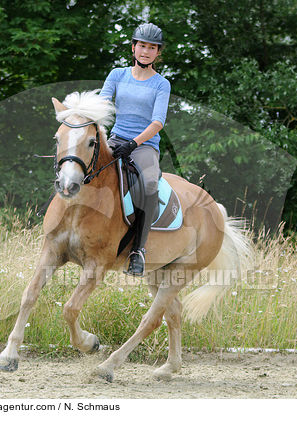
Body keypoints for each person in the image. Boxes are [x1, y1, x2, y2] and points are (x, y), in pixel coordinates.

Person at [100, 23, 171, 276]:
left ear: (157, 53)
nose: (145, 51)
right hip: (116, 139)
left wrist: (134, 143)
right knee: (85, 168)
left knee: (150, 184)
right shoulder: (117, 75)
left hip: (144, 146)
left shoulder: (162, 84)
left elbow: (158, 122)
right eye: (142, 45)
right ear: (133, 48)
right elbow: (102, 105)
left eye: (152, 48)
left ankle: (137, 250)